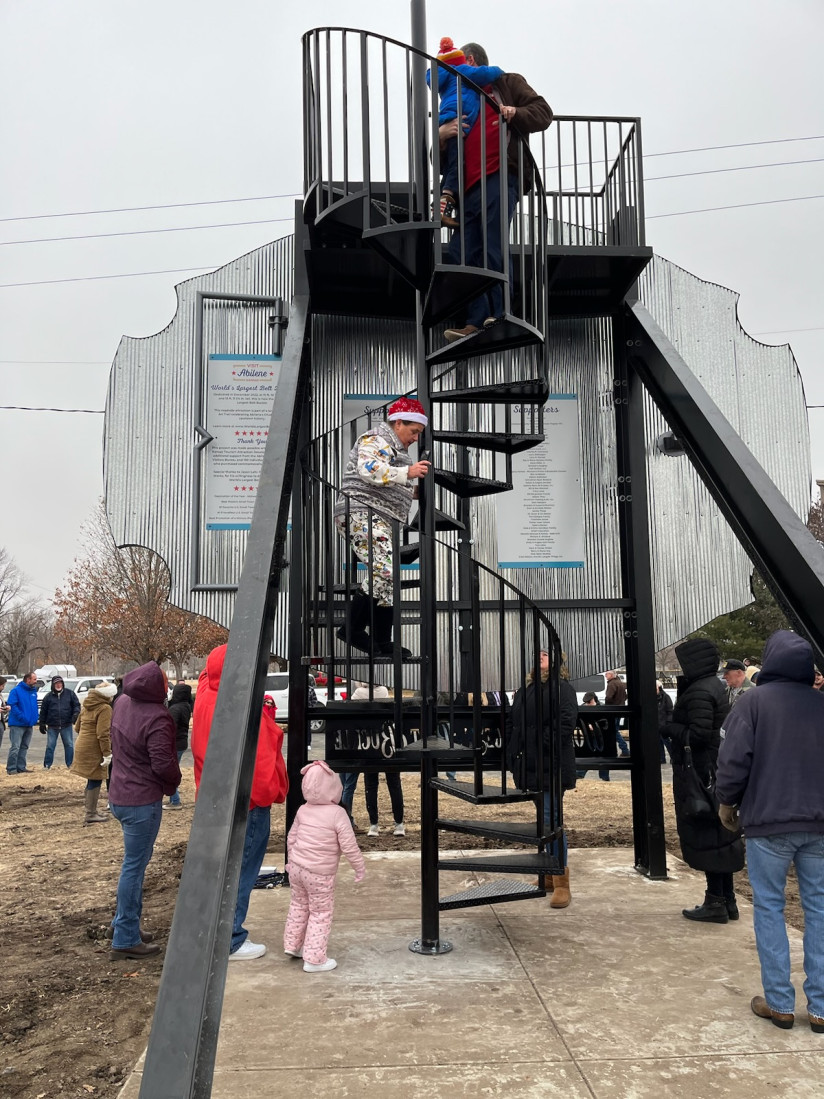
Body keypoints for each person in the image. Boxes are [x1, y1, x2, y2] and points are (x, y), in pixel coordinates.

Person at [716, 630, 824, 1033]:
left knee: (769, 907)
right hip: (820, 823)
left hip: (768, 821)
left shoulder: (753, 703)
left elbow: (733, 760)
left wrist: (727, 802)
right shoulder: (820, 704)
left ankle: (779, 1002)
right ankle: (821, 1007)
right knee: (819, 909)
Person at [442, 43, 552, 342]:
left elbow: (543, 112)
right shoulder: (460, 100)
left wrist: (515, 112)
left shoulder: (506, 82)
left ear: (471, 61)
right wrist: (440, 137)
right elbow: (443, 161)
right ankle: (475, 319)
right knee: (461, 253)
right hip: (467, 187)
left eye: (456, 67)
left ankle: (501, 313)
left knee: (492, 243)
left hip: (500, 175)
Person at [192, 644, 288, 961]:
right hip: (246, 803)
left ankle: (215, 931)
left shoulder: (207, 694)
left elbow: (210, 672)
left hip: (217, 799)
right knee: (240, 869)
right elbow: (260, 769)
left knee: (225, 866)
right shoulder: (243, 711)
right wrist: (269, 796)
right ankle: (231, 938)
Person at [334, 397, 431, 660]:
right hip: (361, 513)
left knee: (387, 577)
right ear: (398, 422)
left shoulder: (396, 448)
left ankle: (382, 640)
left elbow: (389, 480)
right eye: (413, 432)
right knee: (384, 570)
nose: (414, 438)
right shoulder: (377, 438)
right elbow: (369, 470)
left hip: (379, 516)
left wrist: (412, 492)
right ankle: (351, 629)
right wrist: (408, 473)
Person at [107, 663, 181, 960]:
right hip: (141, 801)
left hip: (119, 794)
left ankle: (124, 925)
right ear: (158, 686)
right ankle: (125, 937)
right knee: (134, 869)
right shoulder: (157, 718)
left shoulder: (122, 702)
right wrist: (173, 783)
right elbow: (163, 764)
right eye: (165, 681)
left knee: (132, 865)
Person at [667, 638, 744, 923]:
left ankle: (715, 901)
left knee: (708, 834)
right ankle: (727, 900)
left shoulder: (700, 691)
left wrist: (668, 726)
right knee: (721, 835)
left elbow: (698, 734)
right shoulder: (712, 686)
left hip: (701, 774)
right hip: (713, 771)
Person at [506, 648, 577, 907]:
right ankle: (548, 876)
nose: (540, 656)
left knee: (552, 819)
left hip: (552, 765)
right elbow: (515, 722)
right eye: (537, 653)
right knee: (544, 820)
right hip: (532, 765)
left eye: (545, 653)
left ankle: (561, 881)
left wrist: (539, 744)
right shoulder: (527, 689)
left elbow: (566, 724)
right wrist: (514, 752)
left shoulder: (562, 688)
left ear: (557, 660)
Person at [283, 759, 365, 972]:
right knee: (321, 912)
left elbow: (291, 838)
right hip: (320, 874)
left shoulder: (303, 810)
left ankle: (293, 945)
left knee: (298, 906)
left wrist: (291, 861)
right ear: (333, 787)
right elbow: (349, 845)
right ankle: (314, 959)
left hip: (298, 869)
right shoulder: (337, 813)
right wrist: (359, 867)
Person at [426, 37, 503, 227]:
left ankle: (442, 206)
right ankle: (442, 204)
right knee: (456, 165)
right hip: (456, 120)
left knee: (455, 162)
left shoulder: (443, 80)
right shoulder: (462, 72)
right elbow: (486, 73)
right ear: (468, 60)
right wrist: (500, 71)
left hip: (448, 119)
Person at [348, 686, 406, 837]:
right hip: (387, 741)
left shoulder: (359, 692)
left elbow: (350, 705)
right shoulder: (383, 691)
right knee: (394, 783)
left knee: (371, 784)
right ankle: (399, 823)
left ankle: (374, 824)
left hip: (368, 742)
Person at [71, 681, 117, 825]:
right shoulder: (104, 708)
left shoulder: (87, 704)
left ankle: (92, 810)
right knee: (96, 778)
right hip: (94, 748)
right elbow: (103, 734)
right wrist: (107, 753)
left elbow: (77, 727)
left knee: (91, 779)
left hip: (81, 744)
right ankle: (90, 813)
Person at [39, 675, 80, 769]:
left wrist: (76, 714)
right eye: (56, 683)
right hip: (52, 726)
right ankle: (47, 765)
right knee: (50, 746)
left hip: (66, 724)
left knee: (69, 745)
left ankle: (70, 764)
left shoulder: (70, 694)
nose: (58, 685)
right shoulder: (48, 697)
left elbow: (76, 705)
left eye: (60, 683)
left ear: (63, 684)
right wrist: (42, 723)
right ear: (53, 685)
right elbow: (43, 711)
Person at [164, 681, 193, 809]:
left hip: (175, 743)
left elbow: (170, 728)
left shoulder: (175, 709)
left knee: (172, 772)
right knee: (174, 770)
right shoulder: (186, 706)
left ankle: (175, 801)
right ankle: (173, 799)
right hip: (182, 742)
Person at [5, 671, 39, 774]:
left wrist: (35, 718)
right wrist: (22, 717)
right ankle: (11, 768)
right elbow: (12, 706)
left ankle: (21, 767)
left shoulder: (33, 692)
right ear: (28, 680)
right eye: (34, 679)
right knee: (15, 747)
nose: (36, 681)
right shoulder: (16, 691)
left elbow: (34, 707)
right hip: (17, 724)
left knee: (24, 746)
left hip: (29, 724)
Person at [605, 670, 630, 757]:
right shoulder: (620, 683)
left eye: (606, 674)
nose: (605, 676)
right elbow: (626, 696)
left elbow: (608, 697)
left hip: (612, 710)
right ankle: (624, 749)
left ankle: (624, 749)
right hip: (620, 709)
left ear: (611, 675)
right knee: (615, 730)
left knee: (613, 731)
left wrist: (608, 705)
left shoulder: (612, 684)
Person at [657, 680, 674, 764]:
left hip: (663, 724)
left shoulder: (665, 697)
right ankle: (661, 758)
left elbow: (670, 710)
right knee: (658, 743)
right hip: (656, 724)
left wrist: (668, 722)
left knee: (667, 742)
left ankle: (673, 757)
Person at [0, 677, 10, 752]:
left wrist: (6, 708)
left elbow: (2, 707)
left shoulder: (0, 696)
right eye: (2, 685)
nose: (3, 688)